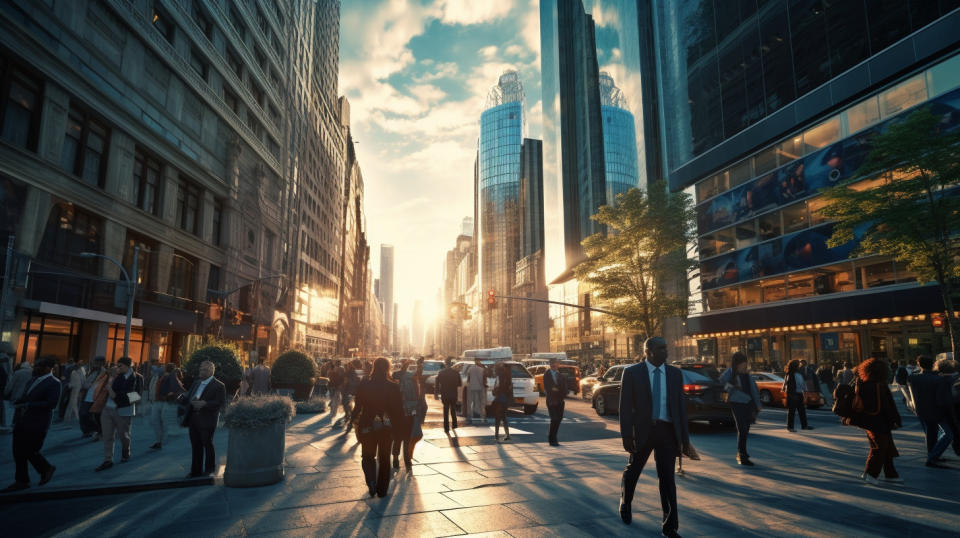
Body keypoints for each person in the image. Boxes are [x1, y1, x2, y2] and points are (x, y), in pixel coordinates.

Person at [618, 337, 698, 536]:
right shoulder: (632, 373)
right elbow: (625, 407)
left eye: (666, 347)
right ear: (649, 351)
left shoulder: (674, 374)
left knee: (667, 480)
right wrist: (627, 435)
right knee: (633, 470)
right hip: (642, 432)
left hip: (667, 432)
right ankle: (626, 502)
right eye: (662, 348)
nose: (667, 352)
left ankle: (670, 526)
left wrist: (685, 440)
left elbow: (680, 409)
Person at [2, 357, 61, 492]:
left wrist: (29, 404)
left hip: (38, 423)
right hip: (22, 420)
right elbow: (27, 396)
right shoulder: (33, 380)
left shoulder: (54, 383)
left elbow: (51, 404)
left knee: (29, 450)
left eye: (38, 366)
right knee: (18, 451)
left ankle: (46, 468)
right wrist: (19, 401)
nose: (35, 368)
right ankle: (22, 481)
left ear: (48, 368)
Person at [350, 357, 402, 498]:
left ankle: (371, 481)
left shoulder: (365, 383)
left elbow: (358, 405)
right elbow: (398, 411)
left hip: (367, 425)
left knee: (368, 456)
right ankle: (382, 490)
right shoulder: (393, 386)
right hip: (387, 427)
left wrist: (351, 420)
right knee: (385, 458)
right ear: (387, 368)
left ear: (373, 367)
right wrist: (399, 430)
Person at [848, 357, 903, 485]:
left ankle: (891, 474)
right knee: (880, 447)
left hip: (868, 420)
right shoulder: (880, 386)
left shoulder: (862, 383)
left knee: (886, 447)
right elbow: (888, 406)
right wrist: (895, 420)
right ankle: (871, 474)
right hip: (880, 421)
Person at [896, 355, 954, 467]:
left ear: (919, 364)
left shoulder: (913, 378)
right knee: (947, 434)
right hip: (936, 410)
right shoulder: (938, 379)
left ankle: (932, 455)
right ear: (932, 364)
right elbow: (941, 399)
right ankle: (932, 457)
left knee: (930, 434)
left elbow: (903, 385)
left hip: (921, 410)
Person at [95, 357, 144, 471]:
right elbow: (105, 388)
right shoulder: (116, 376)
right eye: (117, 365)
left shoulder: (137, 378)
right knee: (107, 436)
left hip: (124, 411)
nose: (118, 367)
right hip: (108, 409)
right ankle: (108, 460)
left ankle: (125, 451)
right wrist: (111, 378)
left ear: (128, 366)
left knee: (124, 435)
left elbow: (136, 396)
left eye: (120, 365)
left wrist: (116, 397)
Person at [180, 360, 226, 477]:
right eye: (200, 369)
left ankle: (210, 469)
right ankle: (195, 471)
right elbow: (189, 396)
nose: (201, 371)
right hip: (193, 418)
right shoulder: (196, 383)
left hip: (207, 419)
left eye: (204, 370)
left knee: (207, 444)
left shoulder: (219, 385)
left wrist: (205, 404)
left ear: (211, 371)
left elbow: (220, 402)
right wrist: (180, 397)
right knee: (195, 445)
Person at [719, 352, 761, 466]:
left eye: (745, 363)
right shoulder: (730, 373)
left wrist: (757, 405)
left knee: (746, 429)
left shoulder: (747, 375)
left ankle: (743, 452)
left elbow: (753, 391)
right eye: (743, 363)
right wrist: (733, 386)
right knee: (742, 429)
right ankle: (741, 455)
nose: (745, 365)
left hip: (749, 404)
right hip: (737, 403)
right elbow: (723, 387)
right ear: (737, 364)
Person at [391, 359, 418, 470]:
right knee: (407, 437)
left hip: (397, 411)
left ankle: (396, 458)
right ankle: (407, 460)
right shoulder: (412, 376)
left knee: (397, 437)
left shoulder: (395, 375)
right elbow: (417, 393)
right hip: (409, 411)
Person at [783, 359, 813, 432]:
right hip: (798, 394)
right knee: (802, 411)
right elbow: (803, 385)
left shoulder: (788, 374)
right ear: (796, 366)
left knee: (791, 412)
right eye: (798, 365)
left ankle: (790, 427)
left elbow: (784, 387)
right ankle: (804, 426)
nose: (800, 366)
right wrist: (805, 393)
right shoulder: (798, 375)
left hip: (791, 395)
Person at [544, 357, 567, 446]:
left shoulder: (560, 375)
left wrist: (562, 393)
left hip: (560, 401)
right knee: (554, 419)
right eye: (552, 363)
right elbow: (549, 387)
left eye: (556, 363)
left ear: (558, 364)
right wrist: (557, 390)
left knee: (558, 419)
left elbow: (564, 388)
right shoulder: (547, 374)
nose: (554, 365)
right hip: (551, 400)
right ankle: (551, 439)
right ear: (550, 364)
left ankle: (554, 437)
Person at [435, 358, 461, 433]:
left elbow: (437, 383)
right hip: (453, 394)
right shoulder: (456, 373)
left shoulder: (441, 373)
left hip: (445, 394)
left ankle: (446, 427)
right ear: (451, 364)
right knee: (453, 409)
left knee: (445, 411)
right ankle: (454, 425)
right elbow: (459, 384)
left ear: (445, 364)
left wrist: (436, 393)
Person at [492, 362, 513, 442]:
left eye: (495, 368)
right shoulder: (508, 376)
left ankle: (496, 436)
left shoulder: (500, 376)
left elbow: (498, 387)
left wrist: (495, 392)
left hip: (500, 398)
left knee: (497, 417)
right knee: (503, 417)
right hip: (505, 399)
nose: (494, 370)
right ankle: (507, 435)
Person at [465, 358, 487, 424]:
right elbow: (484, 380)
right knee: (481, 403)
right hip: (480, 388)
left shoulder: (470, 369)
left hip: (471, 387)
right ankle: (483, 418)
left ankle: (469, 418)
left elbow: (468, 379)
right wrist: (485, 385)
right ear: (479, 362)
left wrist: (469, 384)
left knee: (470, 403)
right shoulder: (482, 370)